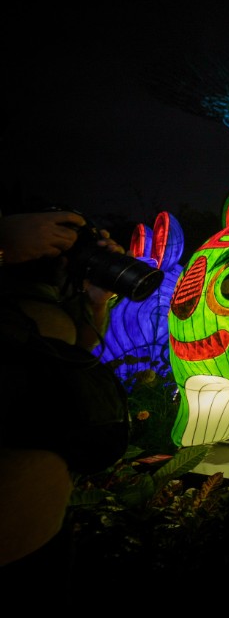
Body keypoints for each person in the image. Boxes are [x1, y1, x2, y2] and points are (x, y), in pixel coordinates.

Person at [0, 209, 126, 596]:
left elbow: (76, 354)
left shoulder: (50, 296)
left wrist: (96, 303)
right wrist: (4, 243)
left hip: (43, 534)